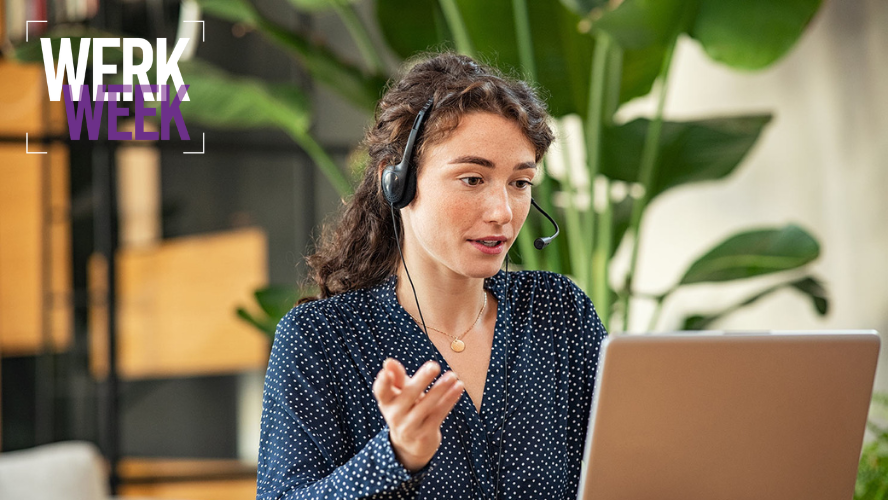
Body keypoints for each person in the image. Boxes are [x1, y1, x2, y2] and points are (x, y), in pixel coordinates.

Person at [256, 53, 607, 500]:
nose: (502, 212)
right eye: (473, 179)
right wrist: (396, 456)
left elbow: (625, 470)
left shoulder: (558, 312)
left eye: (520, 183)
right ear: (397, 184)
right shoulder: (323, 340)